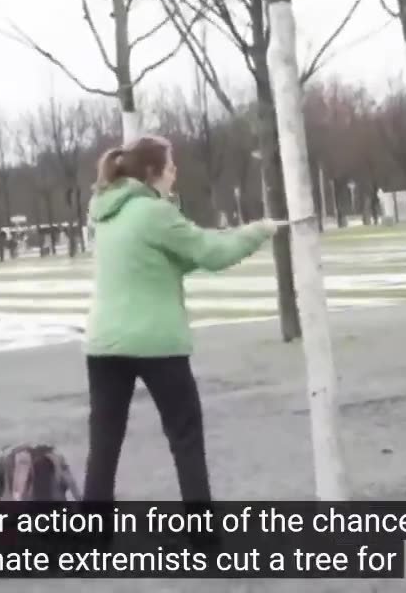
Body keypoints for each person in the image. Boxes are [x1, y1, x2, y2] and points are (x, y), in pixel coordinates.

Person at [82, 134, 279, 537]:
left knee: (104, 442)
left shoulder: (105, 213)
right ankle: (202, 537)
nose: (176, 174)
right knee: (185, 438)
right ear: (153, 172)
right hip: (156, 343)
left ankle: (92, 537)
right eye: (171, 167)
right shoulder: (154, 213)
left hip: (104, 344)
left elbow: (161, 262)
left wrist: (198, 249)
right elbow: (213, 254)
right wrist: (259, 231)